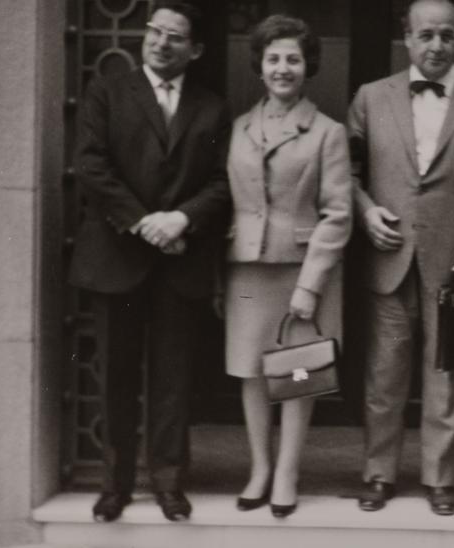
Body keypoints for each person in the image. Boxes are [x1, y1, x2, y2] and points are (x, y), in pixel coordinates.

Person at [68, 1, 231, 523]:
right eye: (155, 31)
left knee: (172, 379)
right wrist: (143, 223)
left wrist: (181, 219)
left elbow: (223, 181)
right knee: (116, 376)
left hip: (179, 263)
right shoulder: (107, 91)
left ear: (195, 49)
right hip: (116, 257)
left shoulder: (212, 108)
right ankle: (114, 486)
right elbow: (91, 166)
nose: (161, 42)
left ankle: (168, 483)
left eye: (174, 37)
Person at [348, 0, 454, 516]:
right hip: (389, 259)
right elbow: (345, 172)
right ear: (407, 37)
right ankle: (378, 473)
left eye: (447, 35)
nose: (437, 46)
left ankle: (441, 478)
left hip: (453, 266)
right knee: (384, 374)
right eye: (426, 35)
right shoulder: (371, 97)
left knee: (447, 376)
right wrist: (365, 211)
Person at [223, 14, 352, 519]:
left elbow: (338, 215)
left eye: (293, 59)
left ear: (307, 66)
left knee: (298, 375)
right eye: (273, 58)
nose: (282, 68)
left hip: (301, 271)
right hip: (247, 269)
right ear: (259, 66)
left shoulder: (328, 132)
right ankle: (259, 467)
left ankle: (287, 473)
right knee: (252, 371)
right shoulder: (238, 128)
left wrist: (311, 285)